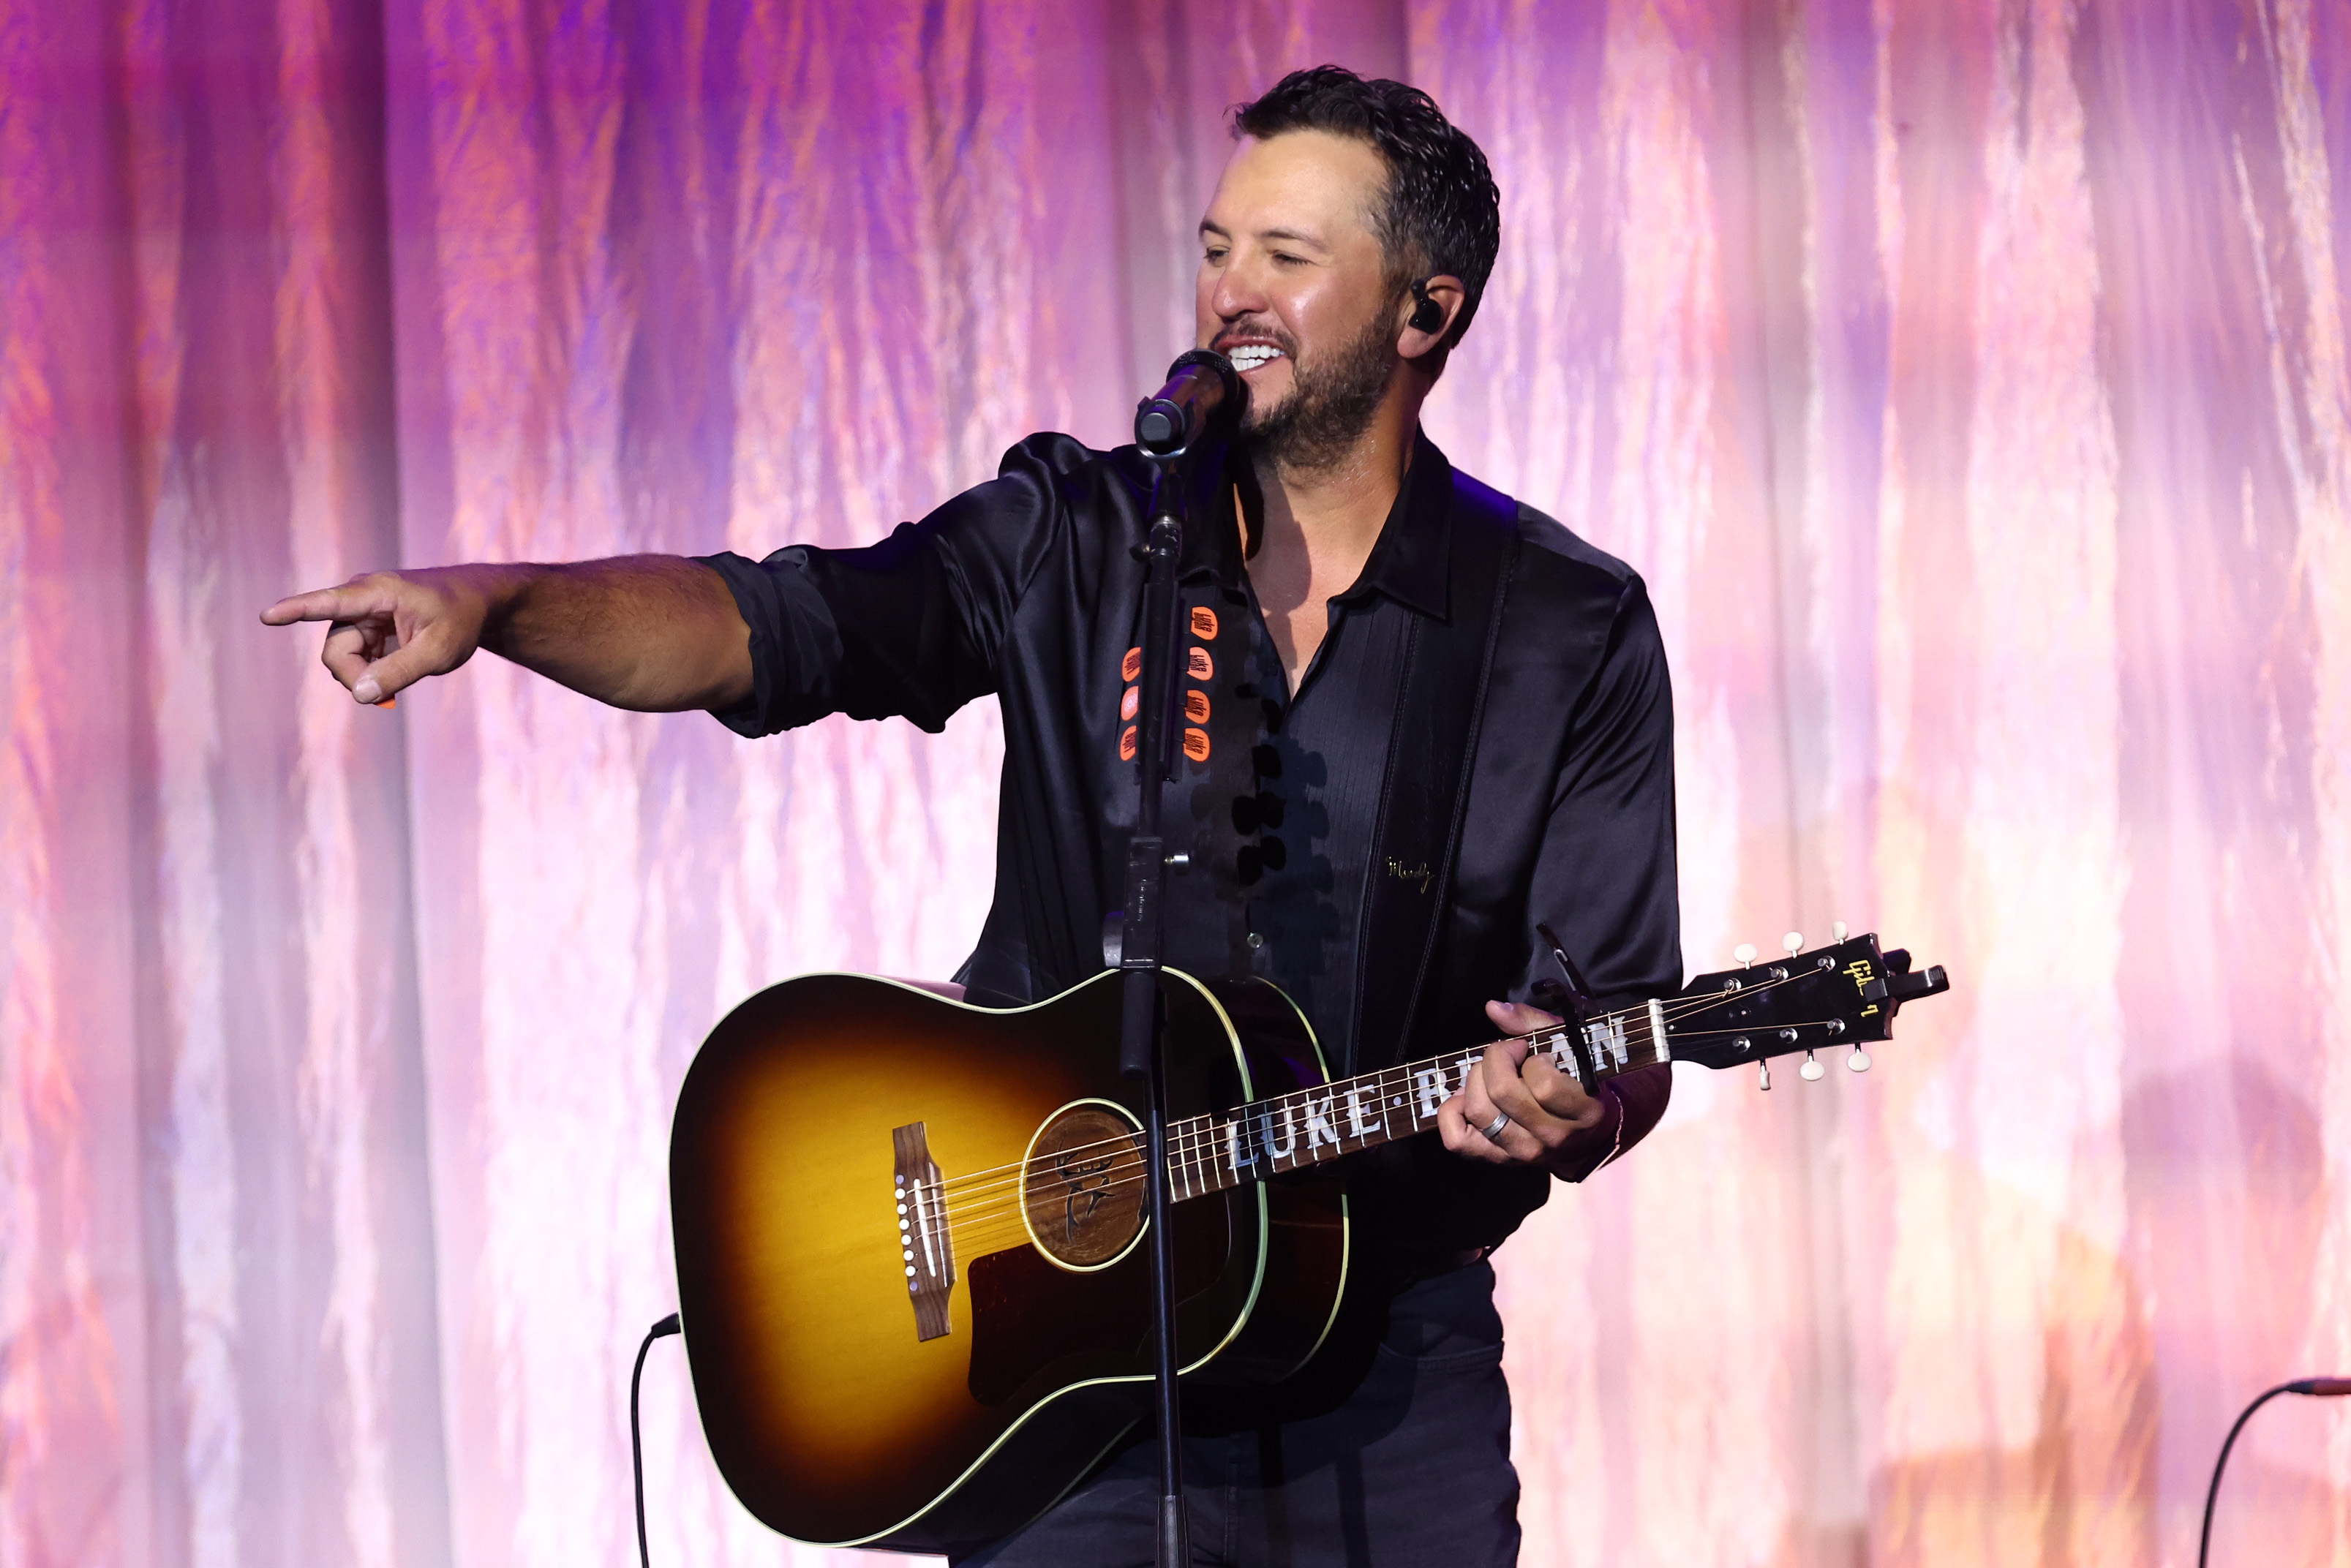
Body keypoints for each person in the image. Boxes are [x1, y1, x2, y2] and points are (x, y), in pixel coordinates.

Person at [263, 65, 1679, 1567]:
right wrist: (497, 605)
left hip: (1384, 1368)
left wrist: (1572, 1096)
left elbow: (1611, 1012)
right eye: (1214, 247)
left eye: (1285, 255)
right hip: (1042, 1344)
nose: (1228, 293)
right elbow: (775, 626)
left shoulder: (1556, 624)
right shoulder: (1081, 535)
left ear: (1424, 310)